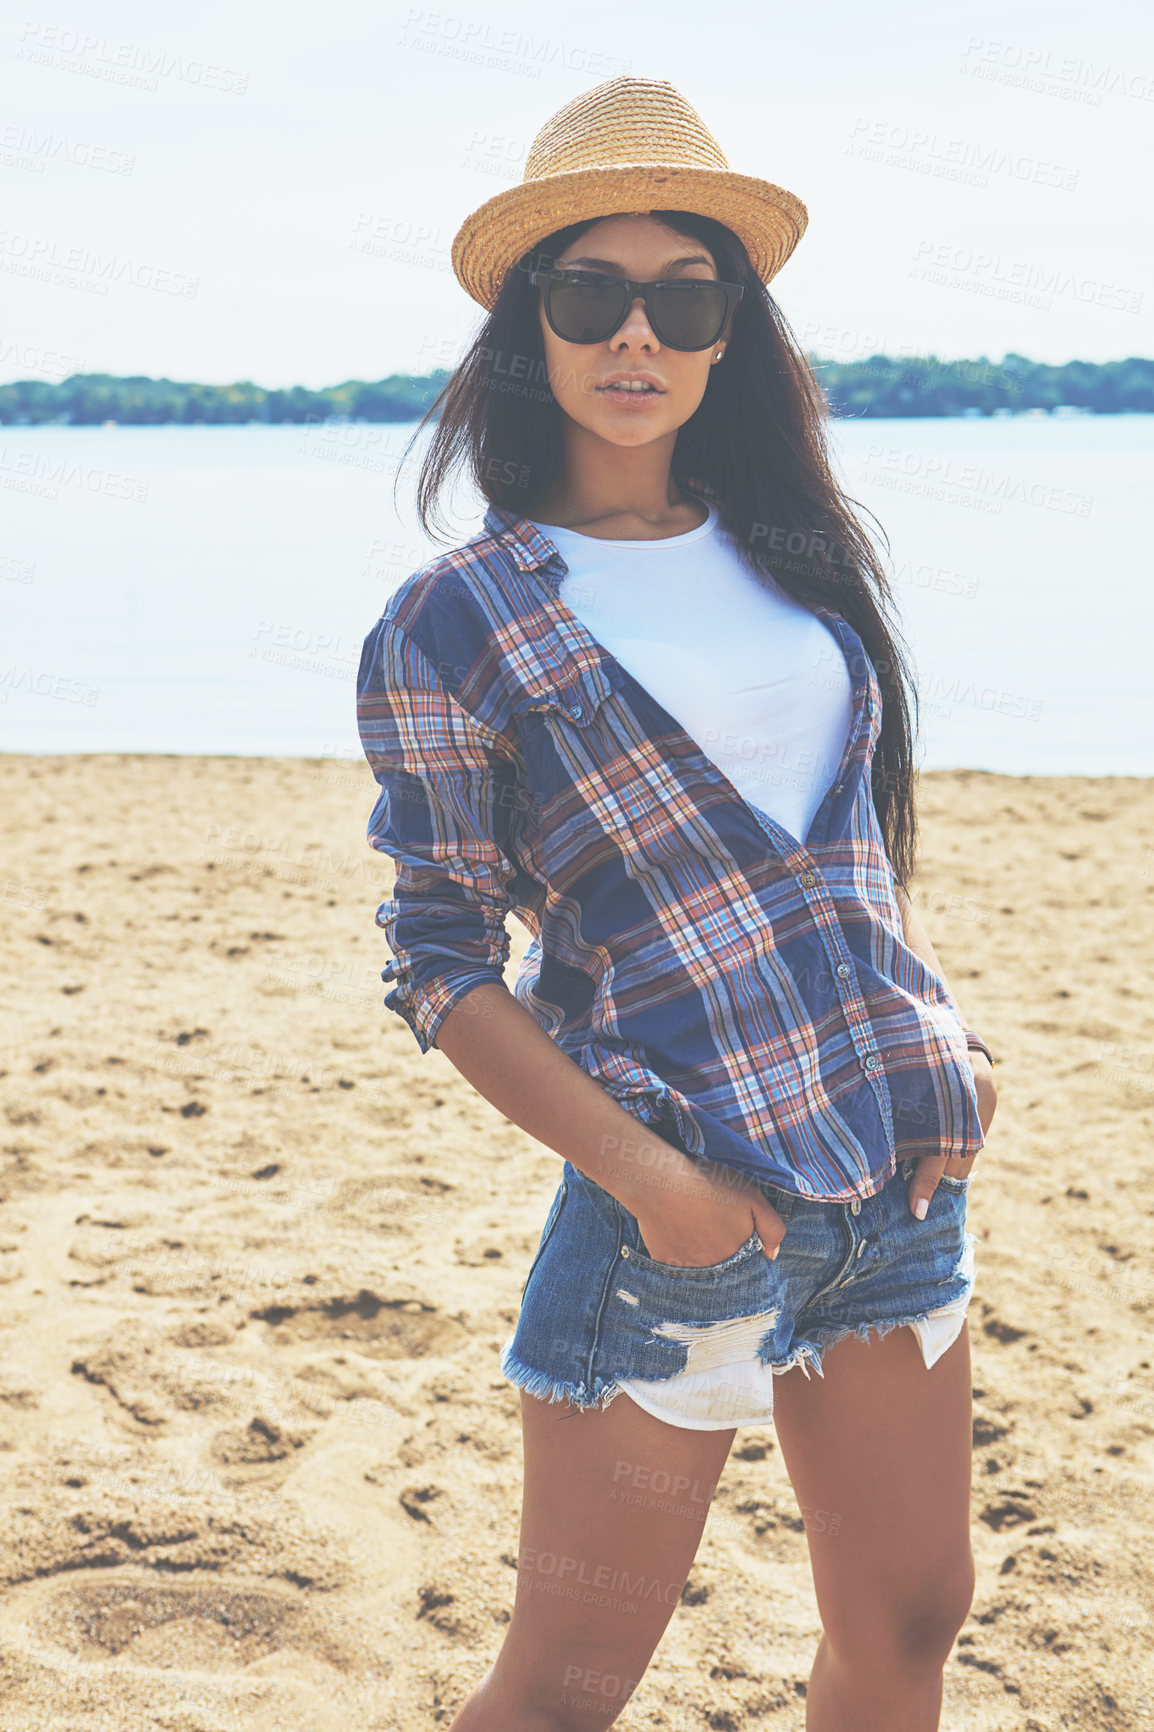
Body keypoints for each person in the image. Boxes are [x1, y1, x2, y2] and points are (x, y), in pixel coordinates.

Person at [356, 74, 998, 1732]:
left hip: (892, 1184)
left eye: (682, 297)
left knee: (916, 1612)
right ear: (530, 328)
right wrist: (658, 1188)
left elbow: (843, 851)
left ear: (729, 335)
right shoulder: (459, 621)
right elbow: (438, 965)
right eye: (590, 294)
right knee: (570, 1685)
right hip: (678, 1225)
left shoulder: (797, 560)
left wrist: (945, 1044)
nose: (635, 335)